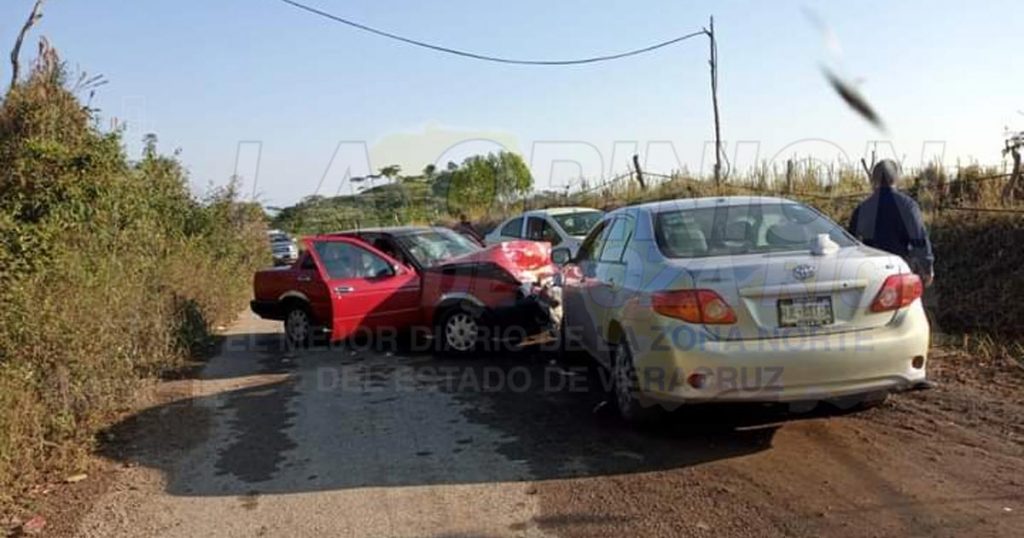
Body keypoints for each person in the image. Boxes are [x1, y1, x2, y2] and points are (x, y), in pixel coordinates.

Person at [848, 160, 934, 287]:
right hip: (900, 269)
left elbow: (851, 243)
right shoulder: (908, 206)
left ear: (874, 180)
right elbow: (919, 239)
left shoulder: (862, 209)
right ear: (896, 178)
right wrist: (927, 267)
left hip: (871, 271)